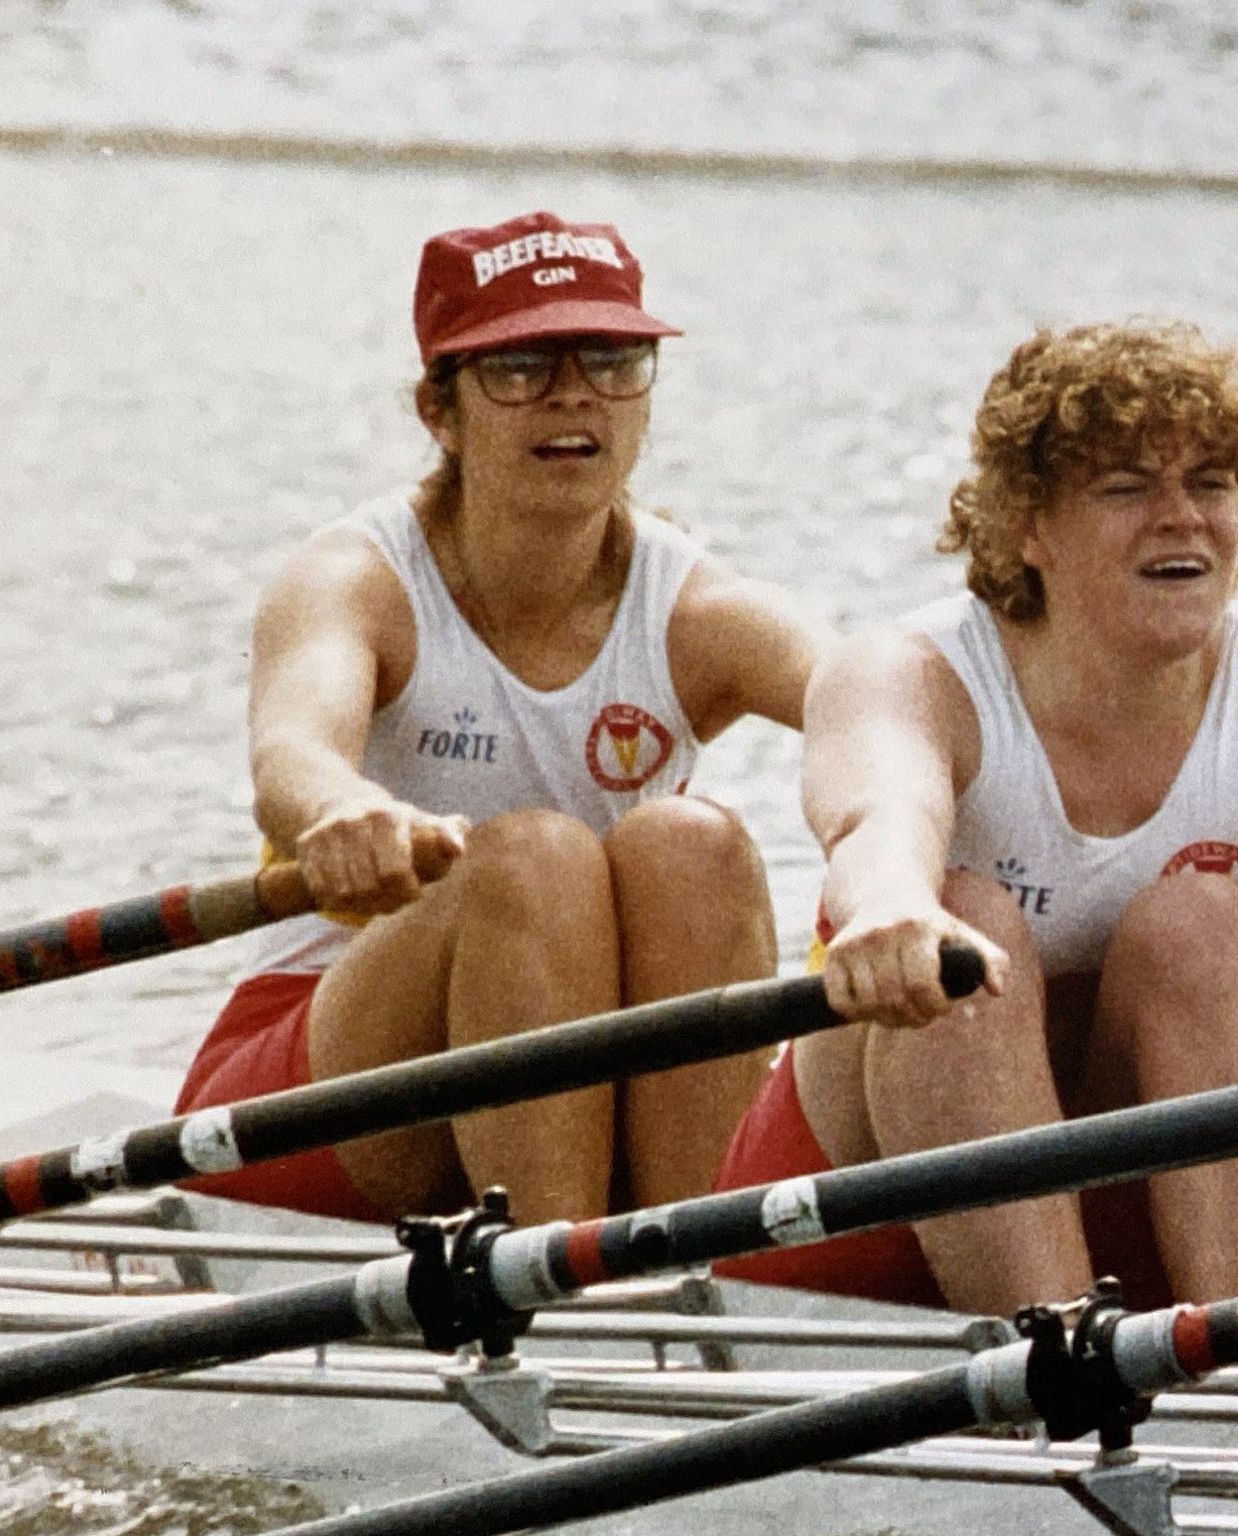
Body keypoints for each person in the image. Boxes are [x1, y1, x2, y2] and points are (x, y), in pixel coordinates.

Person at [708, 321, 1238, 1313]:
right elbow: (880, 814)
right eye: (1127, 487)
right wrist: (888, 909)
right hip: (864, 1225)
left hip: (1137, 1210)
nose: (1182, 519)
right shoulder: (912, 674)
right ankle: (1063, 1356)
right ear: (1026, 526)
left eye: (1211, 483)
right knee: (966, 926)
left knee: (1202, 927)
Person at [177, 210, 829, 1225]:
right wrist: (342, 807)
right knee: (531, 858)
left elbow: (891, 713)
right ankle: (557, 1282)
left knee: (693, 845)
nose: (574, 393)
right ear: (440, 410)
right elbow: (291, 752)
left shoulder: (703, 611)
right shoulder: (356, 580)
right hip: (312, 1099)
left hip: (579, 1083)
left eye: (613, 360)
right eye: (520, 364)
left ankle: (697, 1276)